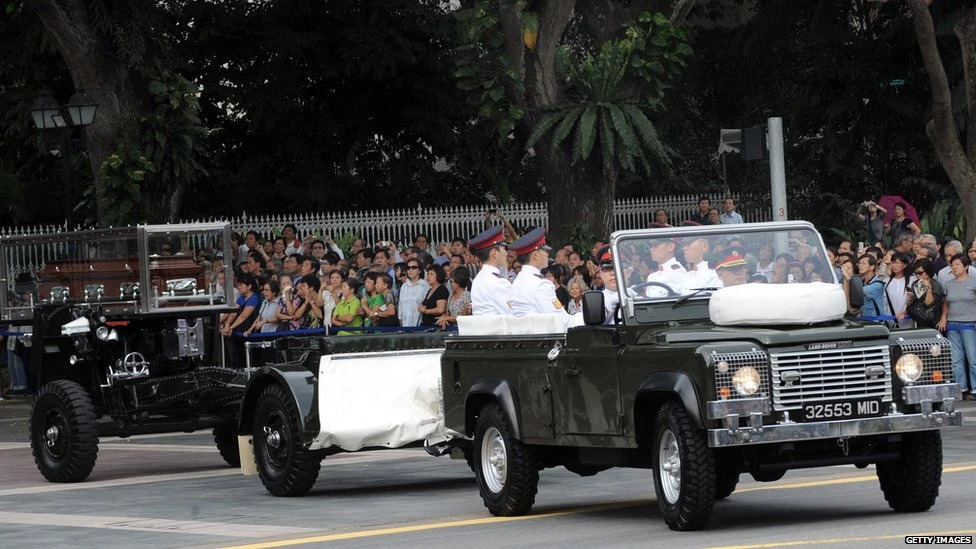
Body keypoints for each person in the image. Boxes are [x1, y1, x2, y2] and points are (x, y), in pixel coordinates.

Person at [937, 254, 976, 400]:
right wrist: (943, 317)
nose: (954, 267)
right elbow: (946, 302)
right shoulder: (949, 284)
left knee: (973, 358)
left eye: (957, 264)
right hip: (953, 324)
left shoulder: (974, 282)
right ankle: (961, 388)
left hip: (970, 323)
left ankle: (975, 388)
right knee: (956, 359)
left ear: (966, 266)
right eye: (952, 265)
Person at [508, 227, 565, 316]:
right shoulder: (541, 285)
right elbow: (560, 319)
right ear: (535, 255)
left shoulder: (517, 282)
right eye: (544, 250)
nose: (547, 254)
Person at [468, 226, 512, 315]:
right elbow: (512, 314)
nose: (506, 253)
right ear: (494, 253)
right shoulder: (499, 282)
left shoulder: (478, 278)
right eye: (503, 248)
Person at [907, 259, 944, 330]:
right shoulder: (916, 284)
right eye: (916, 273)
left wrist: (929, 289)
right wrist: (911, 298)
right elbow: (911, 304)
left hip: (931, 321)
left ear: (928, 271)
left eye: (920, 273)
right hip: (918, 318)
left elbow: (929, 303)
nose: (918, 276)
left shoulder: (935, 285)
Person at [884, 252, 914, 329]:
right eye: (893, 263)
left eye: (898, 263)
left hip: (907, 321)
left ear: (905, 265)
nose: (894, 266)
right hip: (890, 321)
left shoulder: (912, 280)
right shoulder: (886, 282)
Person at [398, 259, 430, 326]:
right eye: (408, 268)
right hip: (404, 324)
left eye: (414, 267)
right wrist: (400, 320)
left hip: (419, 325)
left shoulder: (425, 286)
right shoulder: (404, 286)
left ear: (420, 270)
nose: (410, 270)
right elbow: (400, 305)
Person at [856, 254, 887, 320]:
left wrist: (847, 278)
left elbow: (857, 292)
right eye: (859, 263)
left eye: (864, 263)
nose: (860, 265)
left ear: (872, 267)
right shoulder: (861, 282)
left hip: (875, 323)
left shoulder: (877, 285)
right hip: (864, 321)